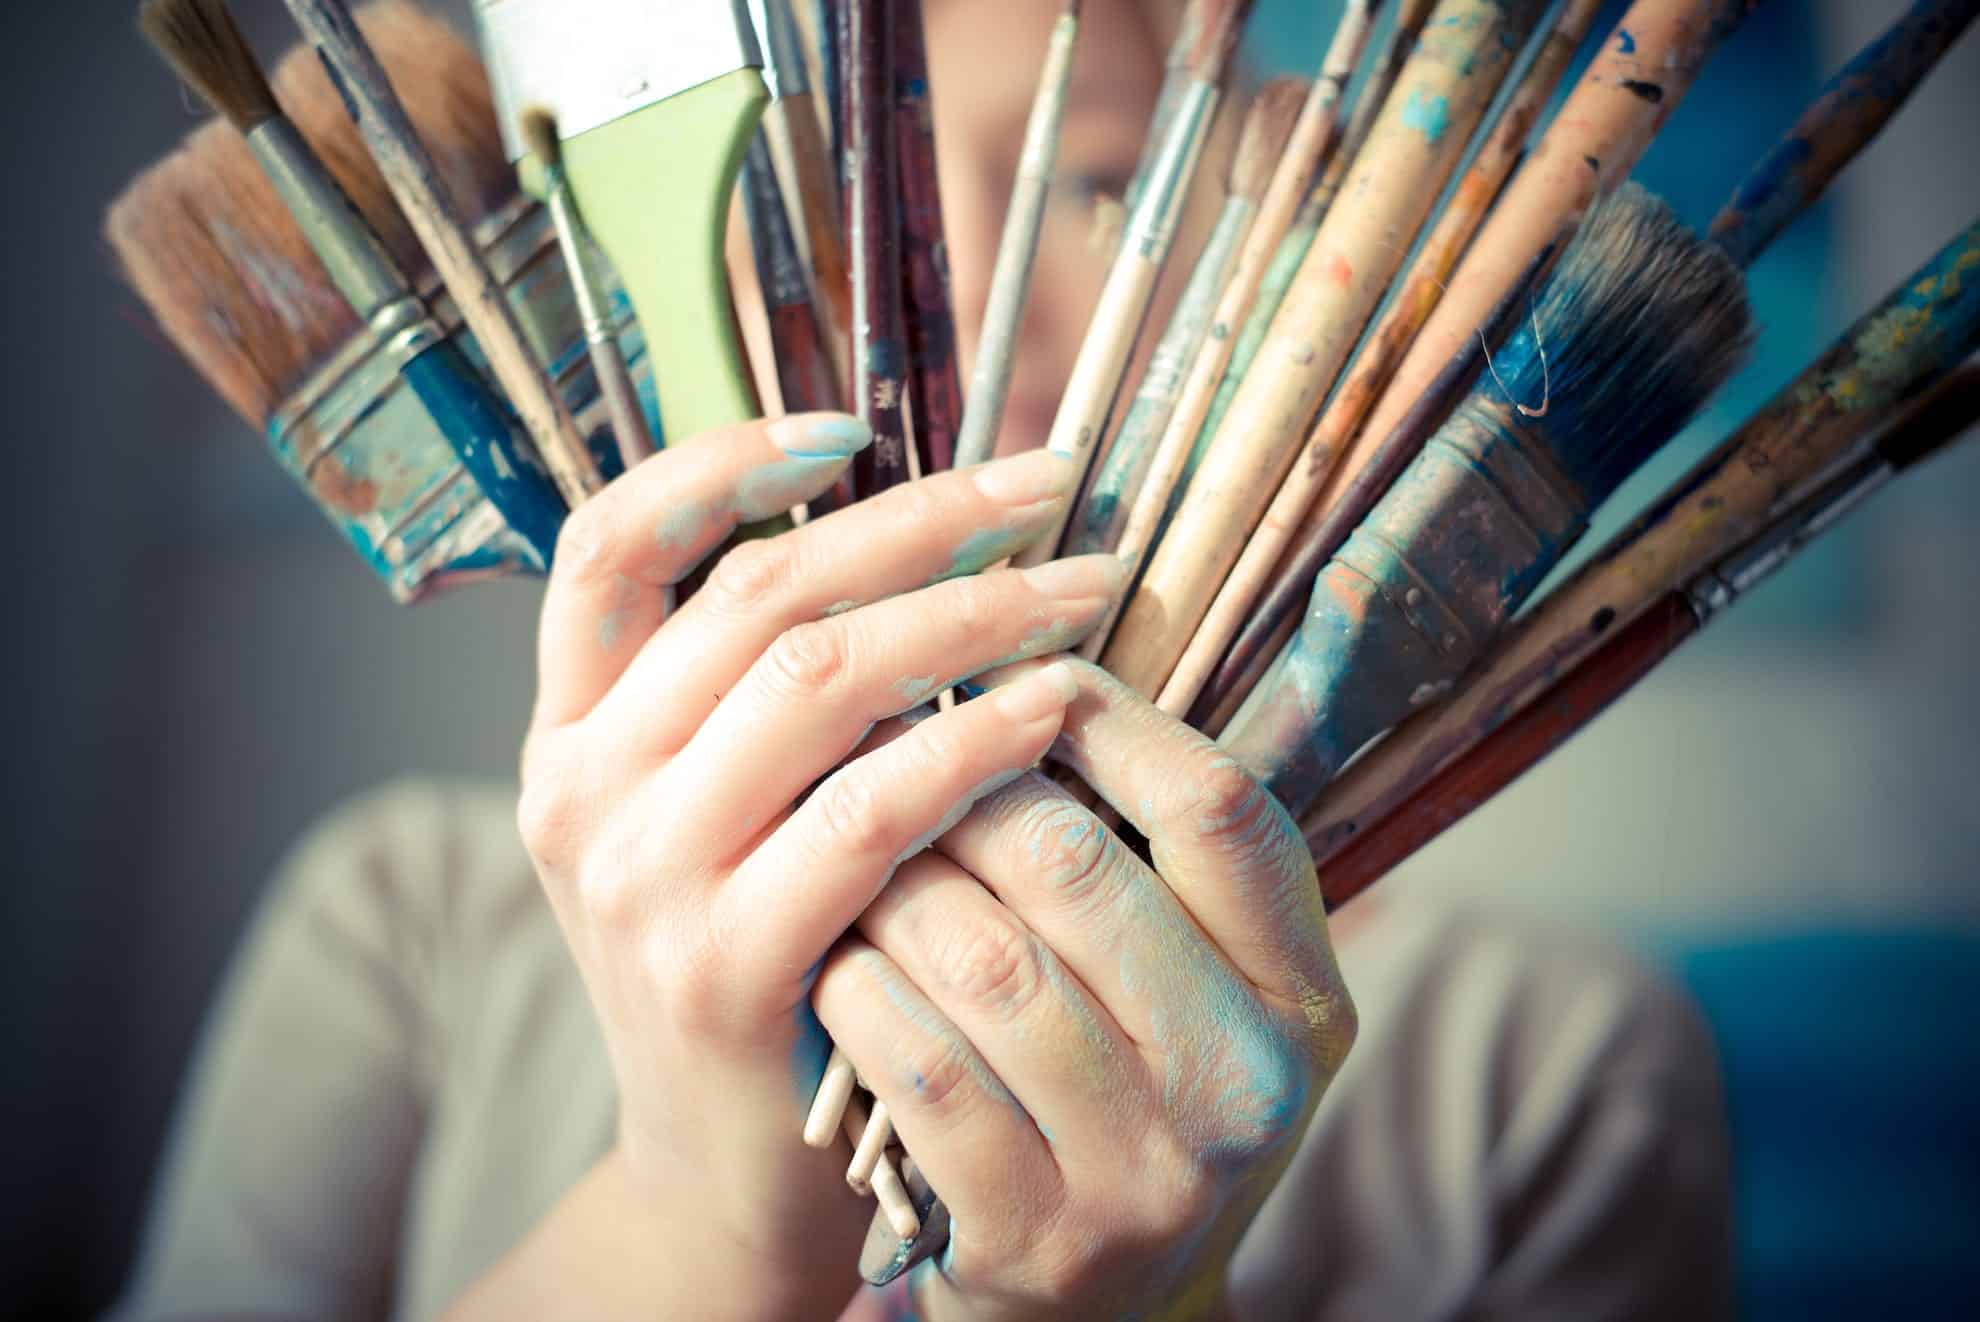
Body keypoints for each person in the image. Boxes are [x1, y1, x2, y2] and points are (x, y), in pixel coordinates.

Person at [111, 1, 1733, 1318]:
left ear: (1273, 254)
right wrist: (701, 1215)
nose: (952, 313)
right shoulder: (403, 924)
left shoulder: (1549, 1062)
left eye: (1097, 183)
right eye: (828, 211)